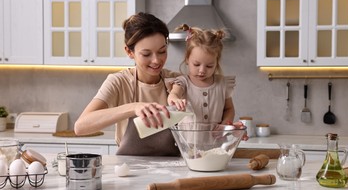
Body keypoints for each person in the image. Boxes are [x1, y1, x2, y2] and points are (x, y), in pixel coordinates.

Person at [74, 12, 181, 156]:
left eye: (162, 51)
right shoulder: (118, 82)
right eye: (146, 54)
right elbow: (80, 127)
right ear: (129, 52)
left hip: (172, 167)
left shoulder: (176, 81)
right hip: (129, 169)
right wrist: (133, 107)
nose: (156, 60)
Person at [167, 24, 235, 125]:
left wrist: (225, 124)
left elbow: (229, 109)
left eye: (209, 66)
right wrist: (175, 100)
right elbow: (173, 94)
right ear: (187, 59)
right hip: (187, 140)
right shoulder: (182, 82)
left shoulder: (222, 84)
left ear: (216, 63)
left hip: (216, 139)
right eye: (196, 64)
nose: (202, 70)